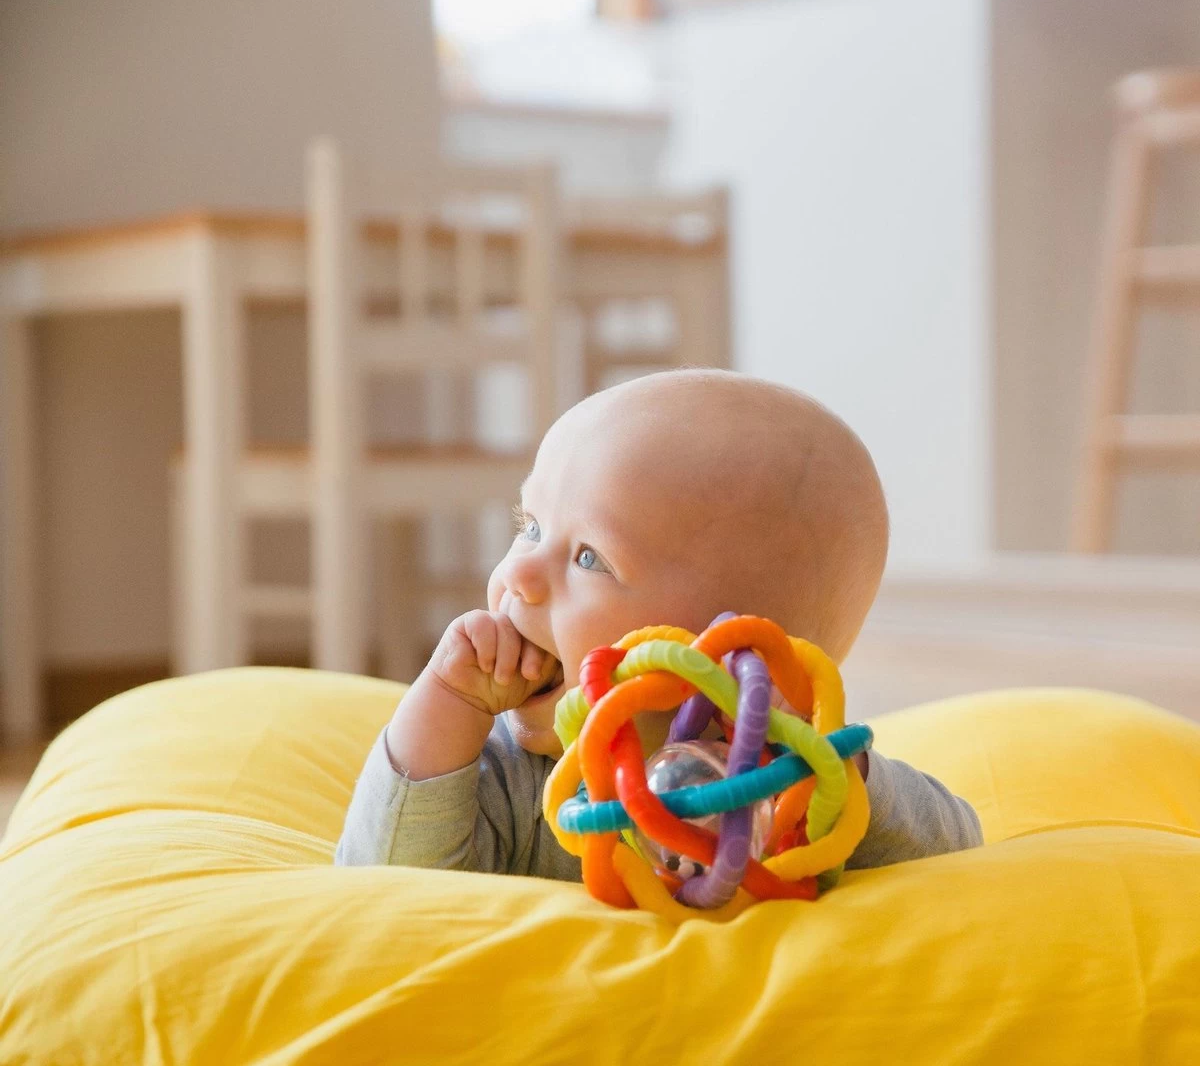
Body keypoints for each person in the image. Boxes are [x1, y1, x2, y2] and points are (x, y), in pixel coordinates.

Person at [335, 370, 981, 878]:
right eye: (529, 526)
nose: (519, 573)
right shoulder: (514, 768)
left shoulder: (785, 784)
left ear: (741, 647)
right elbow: (387, 883)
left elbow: (954, 848)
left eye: (589, 558)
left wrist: (839, 772)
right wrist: (445, 708)